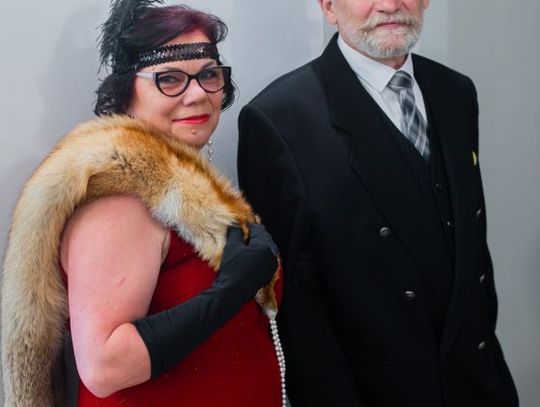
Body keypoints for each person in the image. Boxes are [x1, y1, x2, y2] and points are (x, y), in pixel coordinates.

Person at [1, 2, 286, 406]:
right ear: (127, 92)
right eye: (169, 79)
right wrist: (231, 290)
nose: (197, 95)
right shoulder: (121, 200)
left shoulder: (181, 186)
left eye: (209, 75)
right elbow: (105, 367)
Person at [237, 0, 519, 406]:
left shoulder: (455, 91)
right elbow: (293, 303)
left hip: (478, 381)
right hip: (377, 391)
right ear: (329, 6)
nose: (388, 5)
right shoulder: (279, 119)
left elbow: (470, 245)